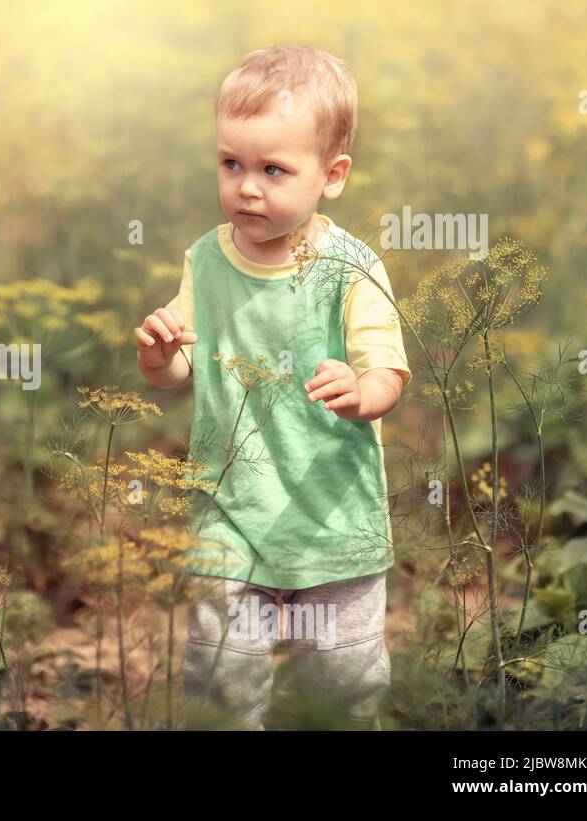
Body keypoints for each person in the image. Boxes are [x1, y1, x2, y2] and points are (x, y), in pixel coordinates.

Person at [134, 44, 411, 730]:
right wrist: (158, 356)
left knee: (341, 678)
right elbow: (178, 375)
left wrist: (363, 388)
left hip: (333, 513)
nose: (247, 187)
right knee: (224, 673)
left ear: (332, 175)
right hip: (230, 510)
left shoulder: (353, 267)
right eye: (231, 164)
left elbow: (389, 370)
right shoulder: (206, 260)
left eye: (273, 170)